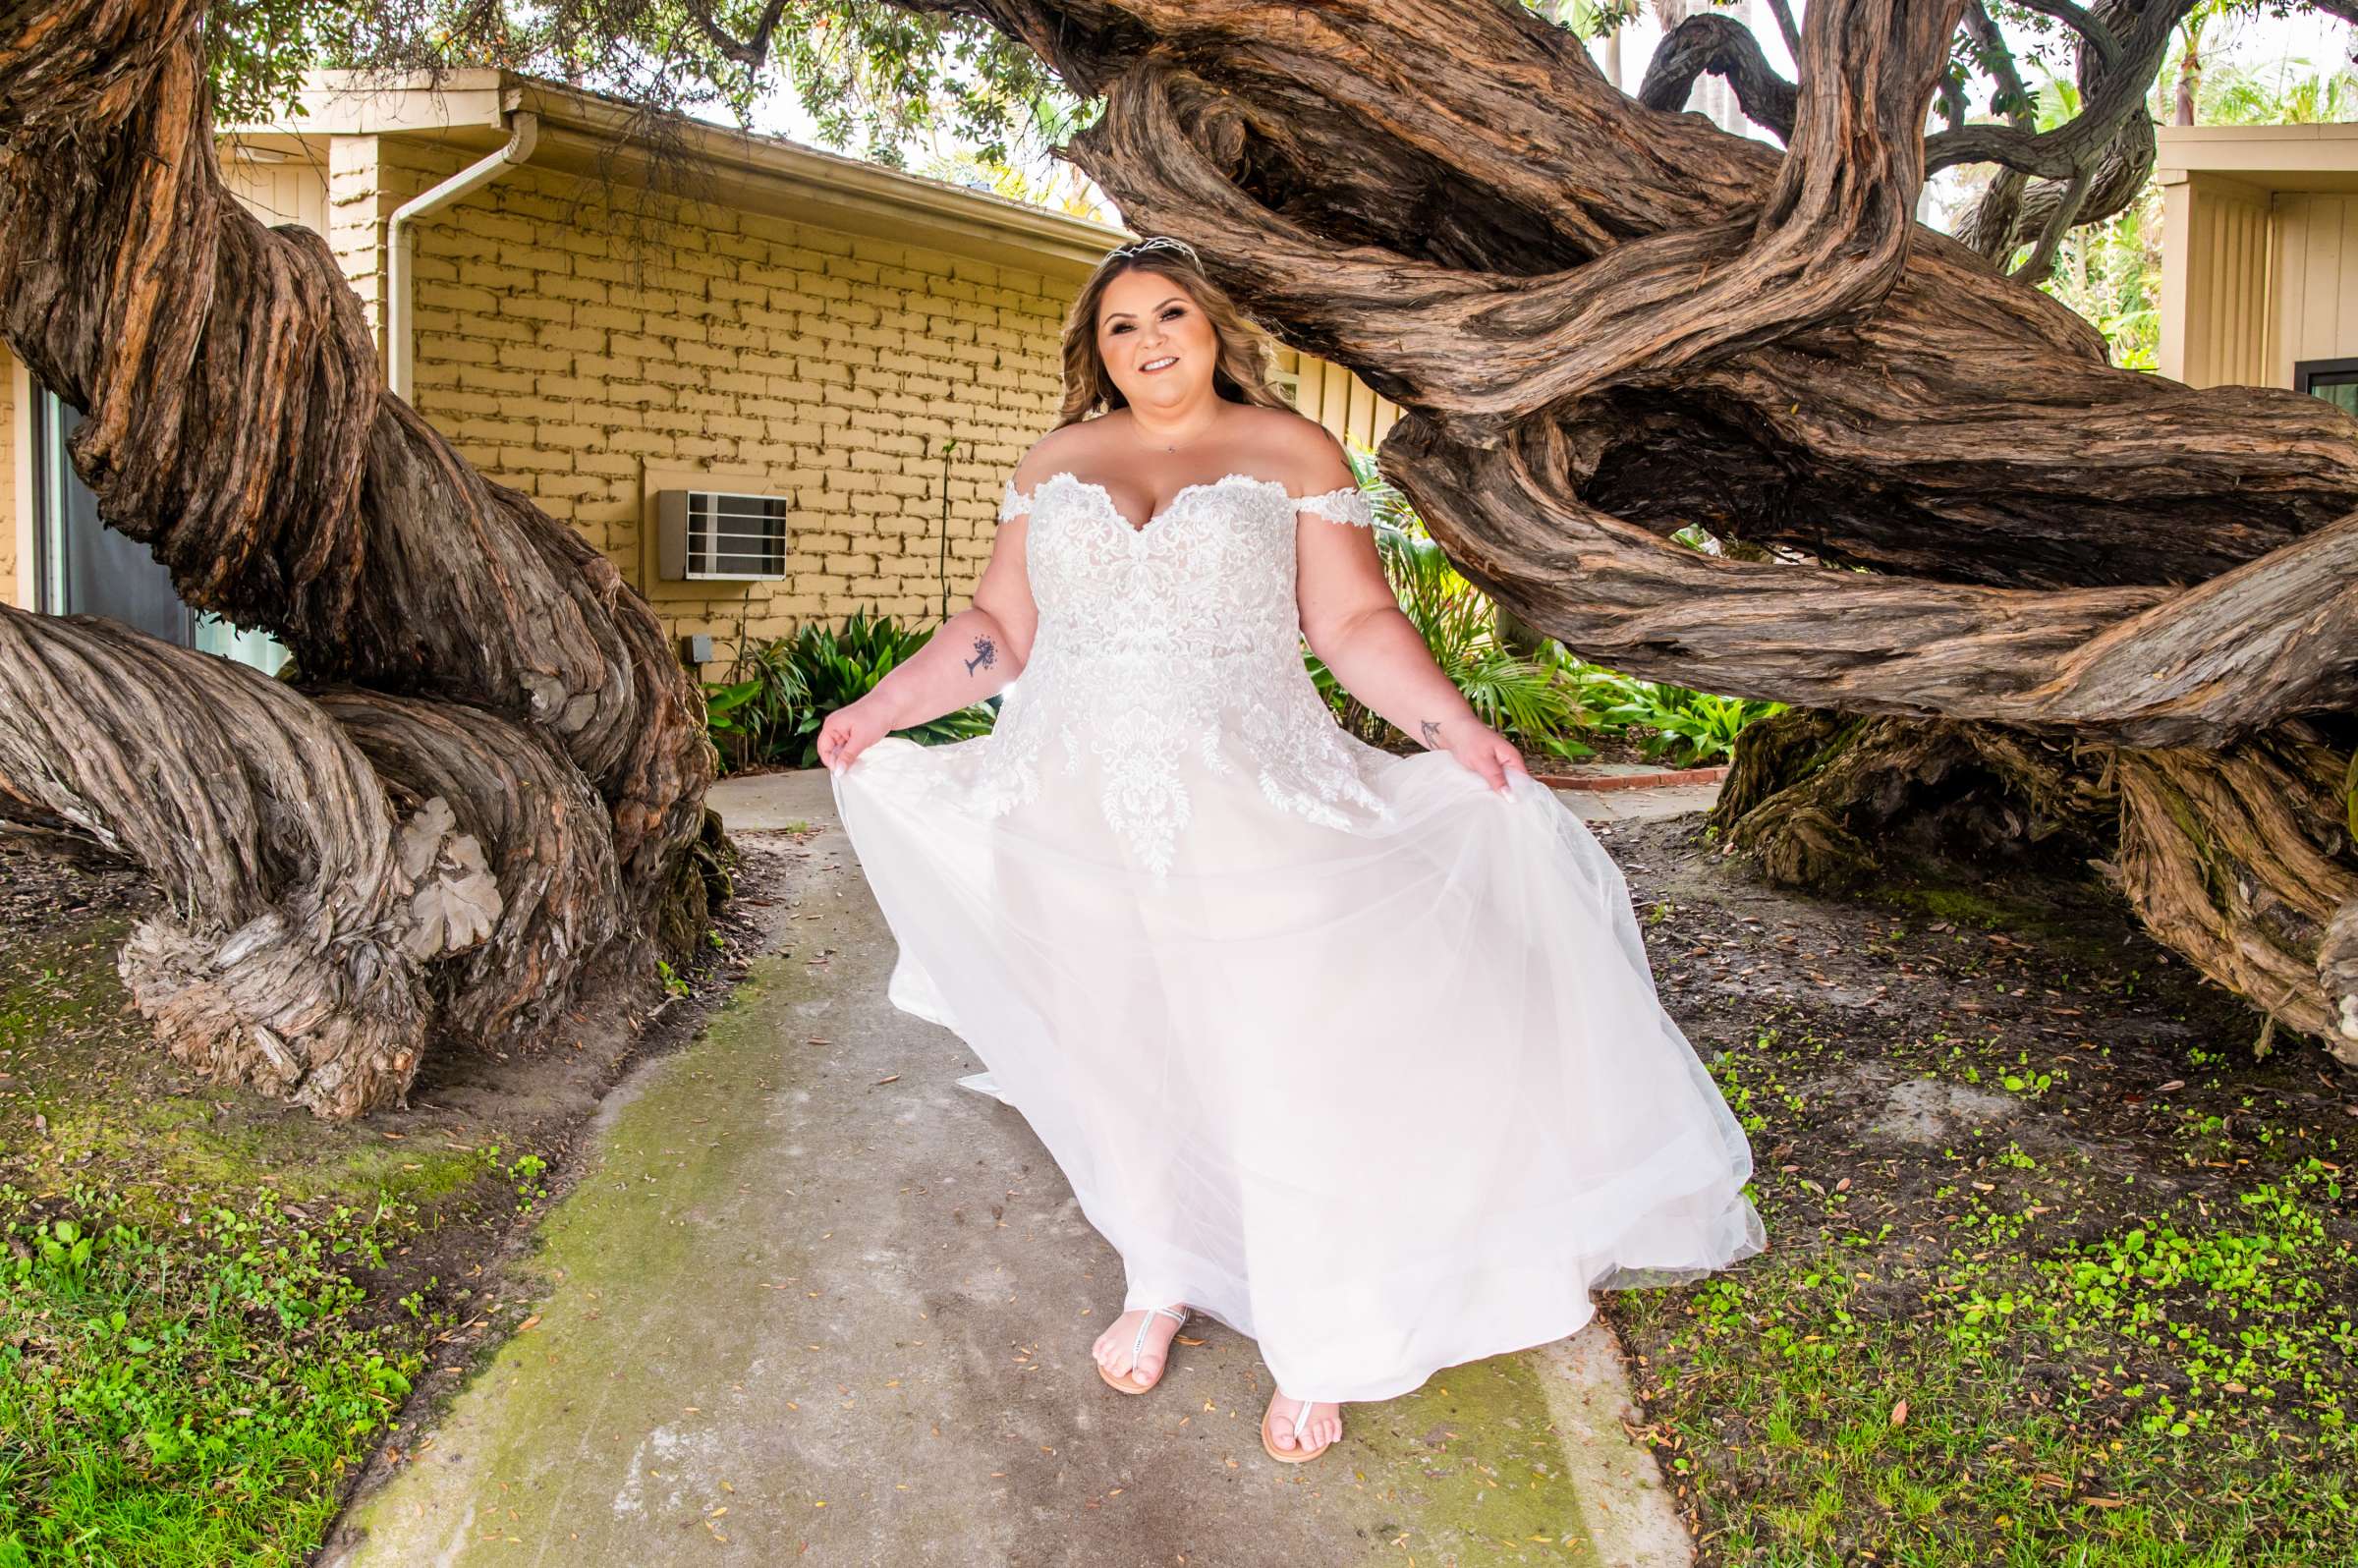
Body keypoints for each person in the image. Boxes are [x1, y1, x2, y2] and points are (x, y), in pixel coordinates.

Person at [819, 235, 1765, 1464]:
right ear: (1095, 350)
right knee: (1119, 1048)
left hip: (1248, 805)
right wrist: (883, 707)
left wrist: (1455, 727)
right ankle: (1159, 1271)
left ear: (1212, 326)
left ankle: (1321, 1326)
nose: (1149, 339)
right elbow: (1002, 627)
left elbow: (1355, 620)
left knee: (1277, 1052)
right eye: (1121, 326)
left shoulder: (1291, 451)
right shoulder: (1052, 464)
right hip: (1064, 812)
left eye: (1170, 314)